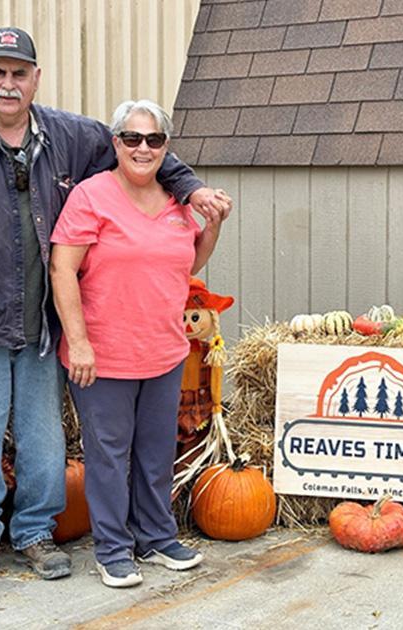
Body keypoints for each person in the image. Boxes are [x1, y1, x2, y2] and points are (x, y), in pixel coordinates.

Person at [0, 27, 232, 593]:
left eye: (19, 73)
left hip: (42, 327)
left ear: (35, 79)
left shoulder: (72, 136)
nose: (8, 84)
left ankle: (33, 534)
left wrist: (192, 188)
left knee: (44, 442)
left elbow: (142, 154)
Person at [49, 99, 231, 588]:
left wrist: (210, 227)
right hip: (104, 354)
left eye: (154, 139)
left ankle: (156, 536)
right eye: (132, 138)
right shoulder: (91, 196)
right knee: (109, 456)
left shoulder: (177, 202)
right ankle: (113, 549)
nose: (143, 148)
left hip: (164, 351)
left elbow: (185, 265)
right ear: (116, 144)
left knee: (154, 452)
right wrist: (79, 342)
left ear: (166, 147)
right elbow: (62, 268)